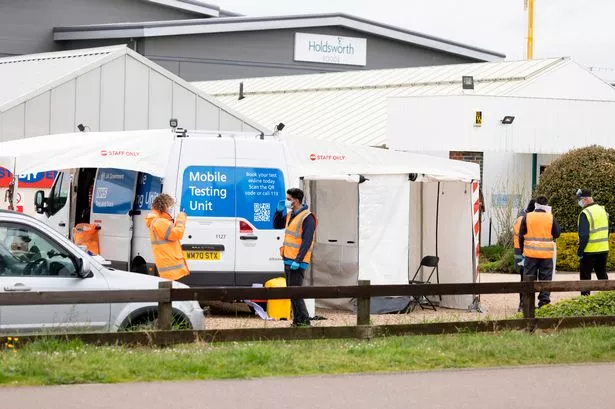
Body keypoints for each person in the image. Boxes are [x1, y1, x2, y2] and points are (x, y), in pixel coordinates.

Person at [273, 188, 317, 327]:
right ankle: (298, 321)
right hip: (288, 258)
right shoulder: (291, 214)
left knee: (296, 292)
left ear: (296, 201)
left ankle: (304, 321)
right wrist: (278, 211)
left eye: (289, 199)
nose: (287, 201)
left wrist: (298, 260)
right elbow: (276, 225)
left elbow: (307, 241)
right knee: (291, 292)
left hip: (297, 261)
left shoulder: (307, 217)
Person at [519, 195, 561, 308]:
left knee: (528, 279)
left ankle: (526, 304)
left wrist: (523, 251)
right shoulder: (550, 217)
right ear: (546, 206)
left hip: (530, 254)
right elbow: (557, 233)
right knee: (545, 279)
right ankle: (544, 303)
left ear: (536, 204)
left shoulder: (527, 216)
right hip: (546, 255)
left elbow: (521, 235)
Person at [145, 193, 189, 281]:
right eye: (171, 206)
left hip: (169, 267)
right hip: (171, 269)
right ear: (165, 206)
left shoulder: (158, 221)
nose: (172, 209)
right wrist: (181, 218)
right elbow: (177, 233)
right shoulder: (160, 222)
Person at [576, 188, 609, 296]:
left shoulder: (585, 213)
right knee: (602, 277)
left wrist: (580, 252)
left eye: (580, 200)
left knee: (585, 279)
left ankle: (585, 302)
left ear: (585, 199)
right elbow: (607, 230)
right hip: (603, 249)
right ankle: (608, 300)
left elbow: (584, 236)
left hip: (589, 251)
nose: (579, 202)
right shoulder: (602, 210)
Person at [514, 199, 535, 311]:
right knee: (526, 279)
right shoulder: (526, 219)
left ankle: (523, 304)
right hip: (524, 252)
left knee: (523, 278)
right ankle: (523, 305)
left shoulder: (520, 218)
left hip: (519, 251)